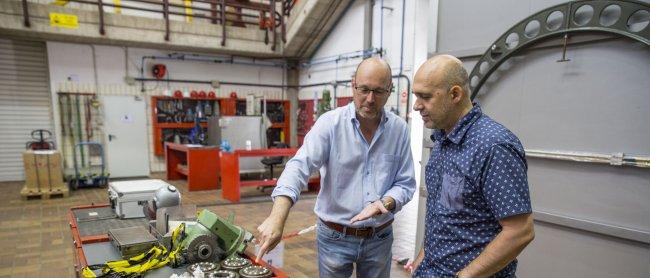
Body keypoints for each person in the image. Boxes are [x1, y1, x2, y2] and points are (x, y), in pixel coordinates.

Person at [256, 57, 416, 277]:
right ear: (353, 86)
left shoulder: (399, 130)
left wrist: (386, 202)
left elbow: (405, 183)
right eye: (364, 89)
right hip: (334, 237)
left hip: (379, 237)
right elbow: (299, 167)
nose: (370, 99)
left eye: (379, 92)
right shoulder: (330, 124)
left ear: (390, 91)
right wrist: (277, 216)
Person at [409, 55, 535, 277]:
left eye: (425, 97)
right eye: (416, 96)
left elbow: (520, 231)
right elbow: (442, 216)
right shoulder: (441, 140)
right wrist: (422, 258)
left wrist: (467, 275)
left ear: (455, 94)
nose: (417, 105)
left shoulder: (494, 146)